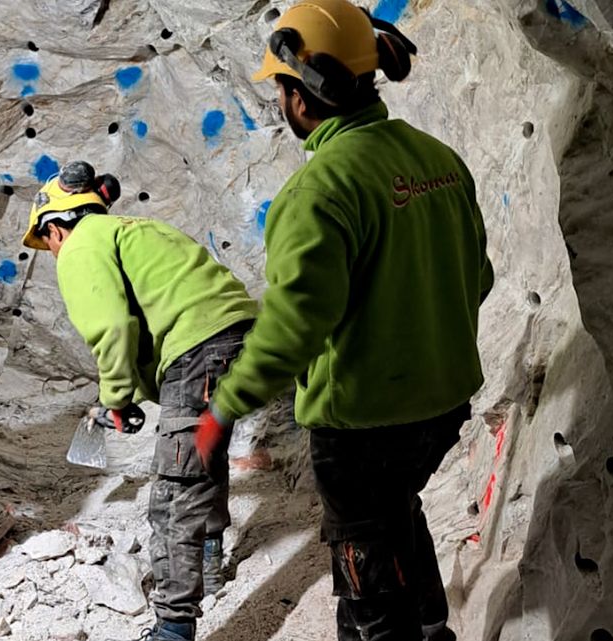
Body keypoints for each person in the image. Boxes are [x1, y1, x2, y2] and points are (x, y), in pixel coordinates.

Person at [194, 2, 494, 640]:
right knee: (397, 512)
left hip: (362, 426)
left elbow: (293, 326)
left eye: (281, 85)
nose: (280, 98)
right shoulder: (438, 159)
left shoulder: (318, 190)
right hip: (443, 406)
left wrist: (226, 406)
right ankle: (434, 626)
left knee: (366, 577)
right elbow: (481, 278)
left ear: (305, 94)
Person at [21, 161, 260, 641]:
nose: (49, 251)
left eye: (45, 242)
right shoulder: (139, 230)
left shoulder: (81, 244)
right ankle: (209, 566)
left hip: (196, 349)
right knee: (202, 456)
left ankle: (173, 627)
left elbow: (111, 327)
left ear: (55, 227)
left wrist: (114, 397)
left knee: (174, 489)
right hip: (238, 335)